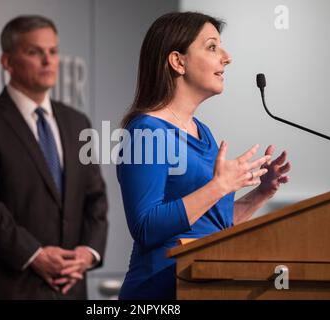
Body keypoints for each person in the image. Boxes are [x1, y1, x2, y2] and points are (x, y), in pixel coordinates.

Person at [117, 12, 291, 300]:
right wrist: (220, 186)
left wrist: (259, 194)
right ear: (178, 61)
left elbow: (211, 227)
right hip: (158, 292)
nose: (226, 57)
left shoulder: (203, 133)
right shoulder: (146, 131)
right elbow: (145, 227)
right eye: (212, 47)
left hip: (202, 288)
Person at [0, 15, 108, 299]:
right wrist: (34, 254)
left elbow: (95, 198)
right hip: (5, 287)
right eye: (35, 52)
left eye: (53, 51)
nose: (48, 61)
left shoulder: (77, 123)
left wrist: (88, 253)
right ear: (7, 62)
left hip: (68, 288)